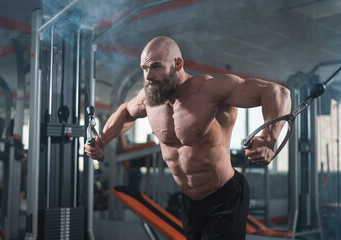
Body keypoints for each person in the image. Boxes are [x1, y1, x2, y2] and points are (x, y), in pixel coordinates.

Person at [84, 36, 291, 240]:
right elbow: (125, 113)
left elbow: (276, 92)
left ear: (178, 64)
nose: (148, 76)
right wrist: (102, 140)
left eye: (156, 67)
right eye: (144, 68)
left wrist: (268, 139)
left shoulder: (211, 90)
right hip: (189, 202)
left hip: (224, 196)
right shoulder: (151, 98)